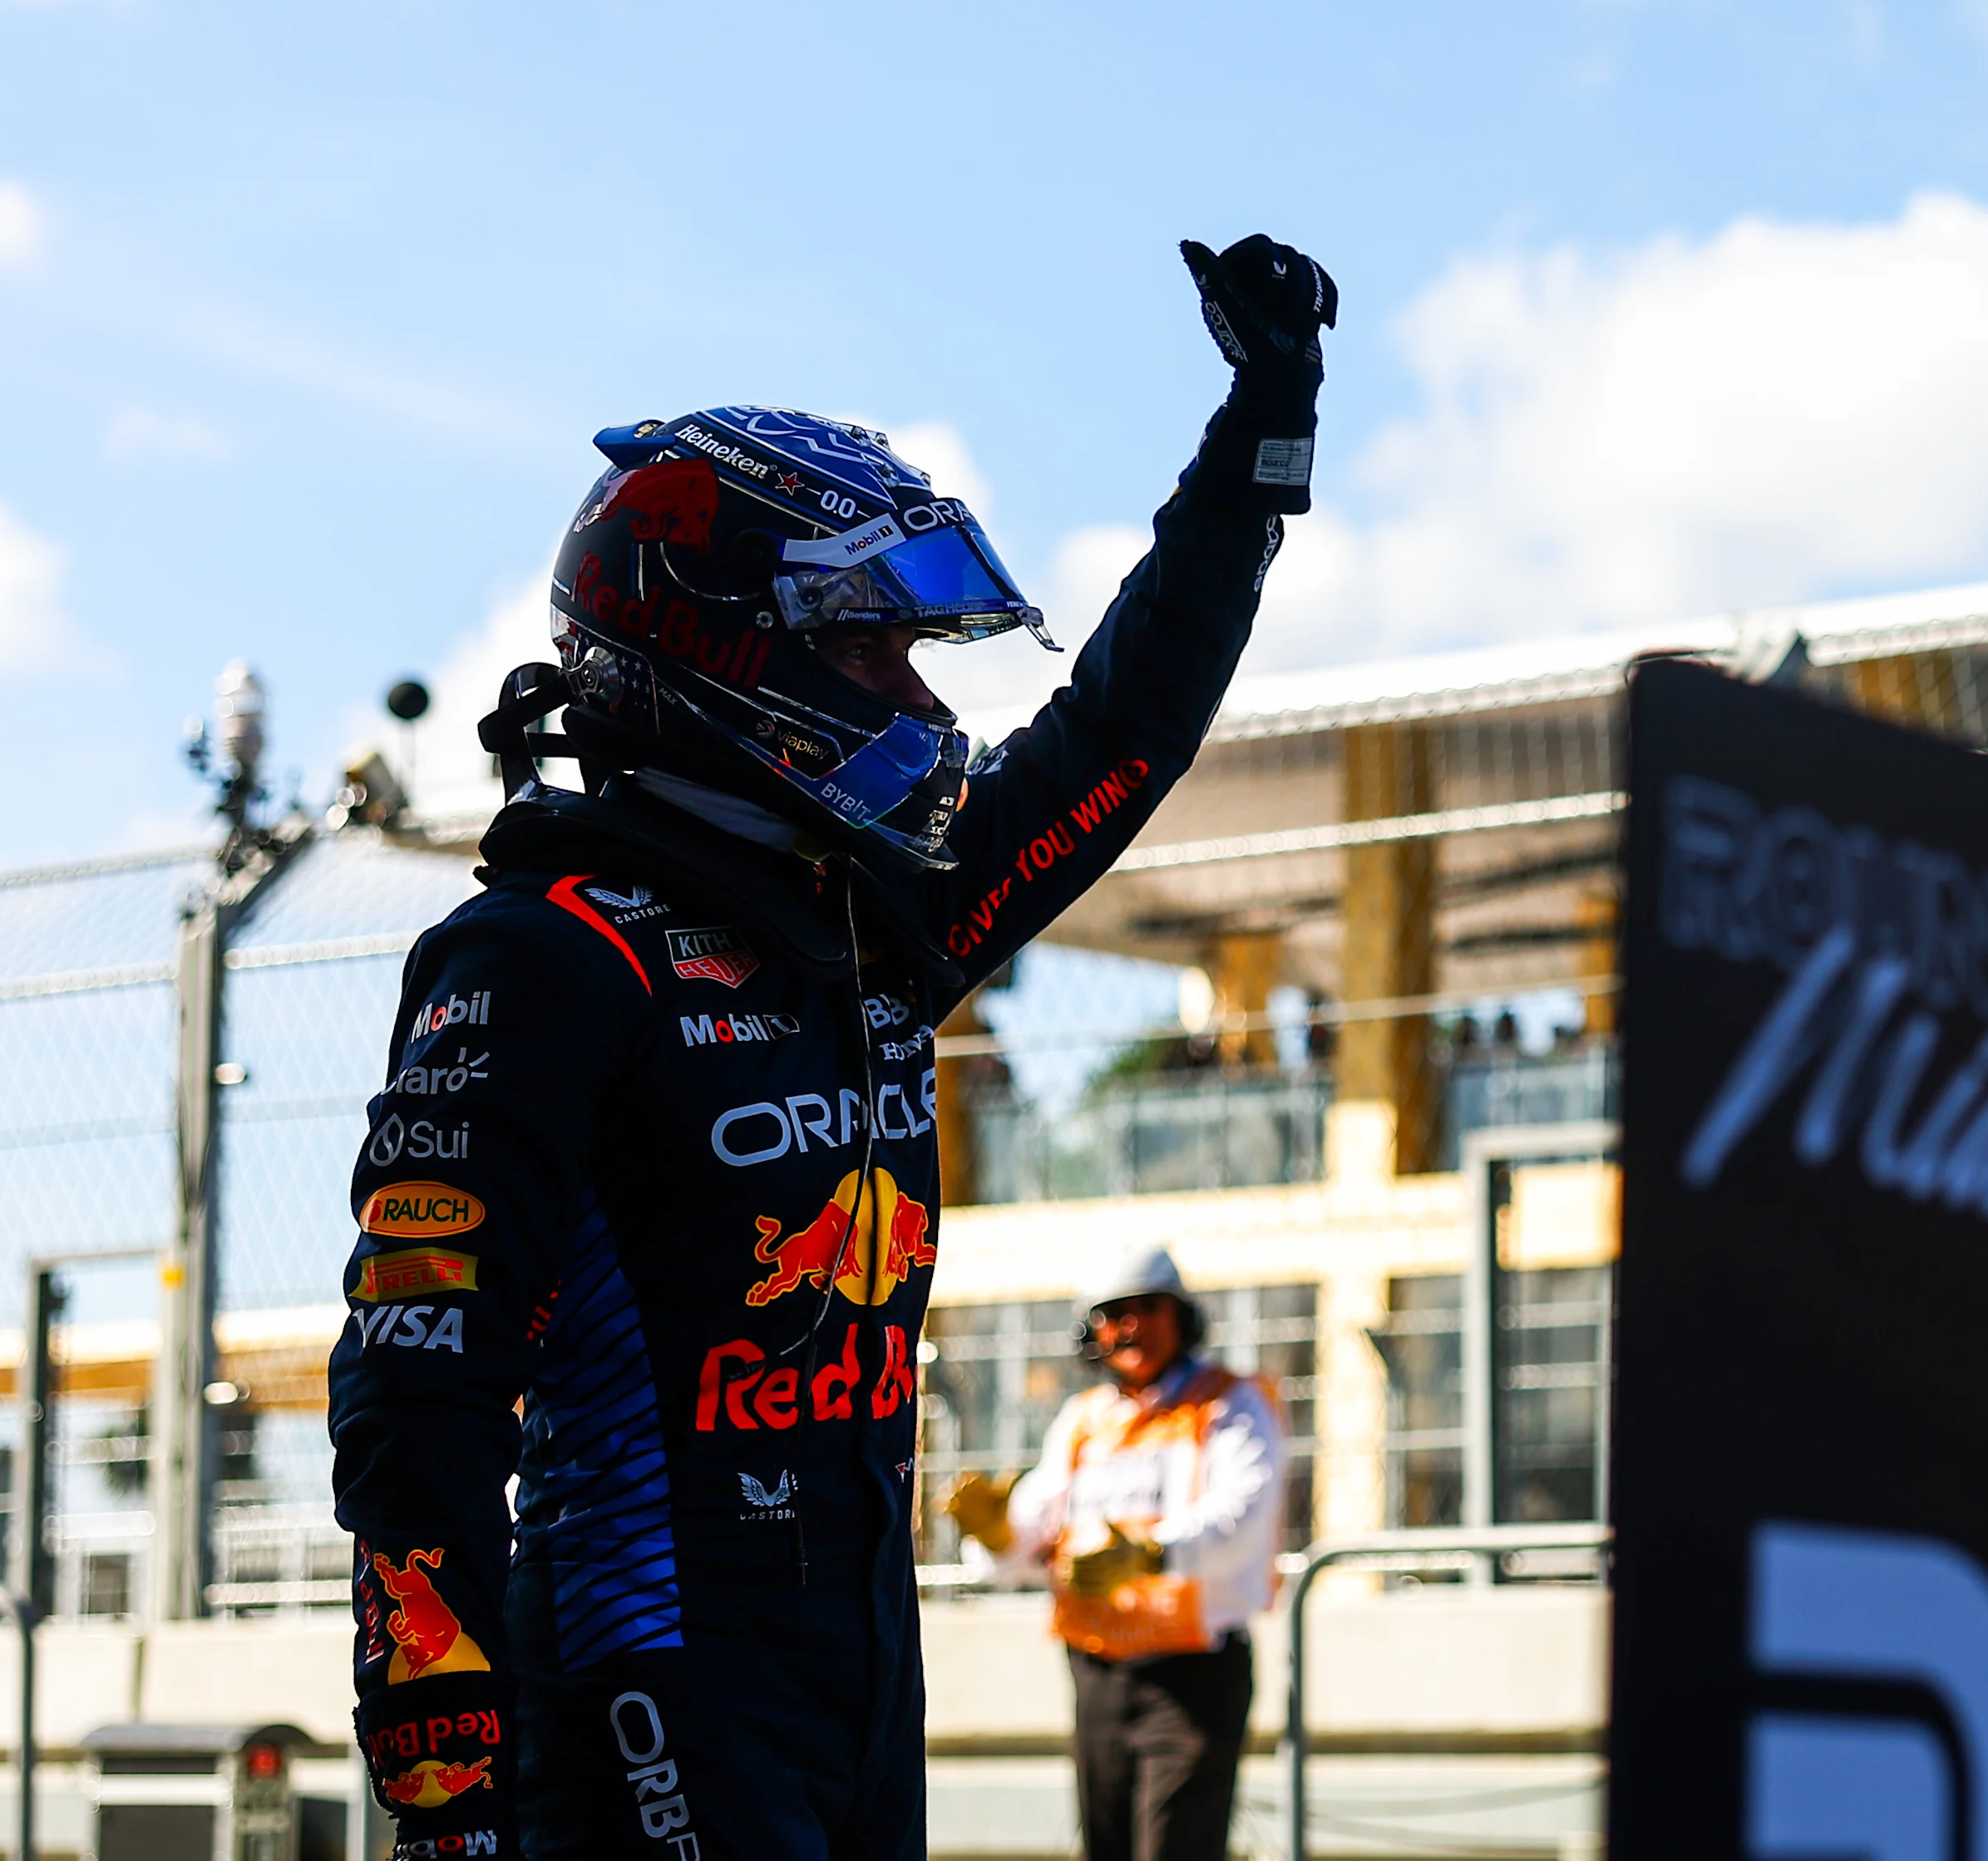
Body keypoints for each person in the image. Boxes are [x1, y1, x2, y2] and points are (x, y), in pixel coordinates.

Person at [327, 235, 1336, 1861]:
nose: (913, 697)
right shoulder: (539, 958)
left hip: (858, 1669)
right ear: (724, 653)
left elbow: (1120, 732)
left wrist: (1259, 444)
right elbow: (412, 1403)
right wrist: (444, 1783)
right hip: (638, 1680)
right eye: (869, 646)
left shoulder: (870, 925)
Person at [945, 1246, 1285, 1861]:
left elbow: (1242, 1513)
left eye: (1147, 1308)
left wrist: (1151, 1554)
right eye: (1113, 1313)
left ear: (1180, 1317)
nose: (1130, 1325)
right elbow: (1033, 1526)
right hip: (1098, 1672)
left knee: (1173, 1847)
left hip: (1192, 1675)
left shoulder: (1227, 1403)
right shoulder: (1084, 1420)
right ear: (1090, 1331)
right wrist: (996, 1532)